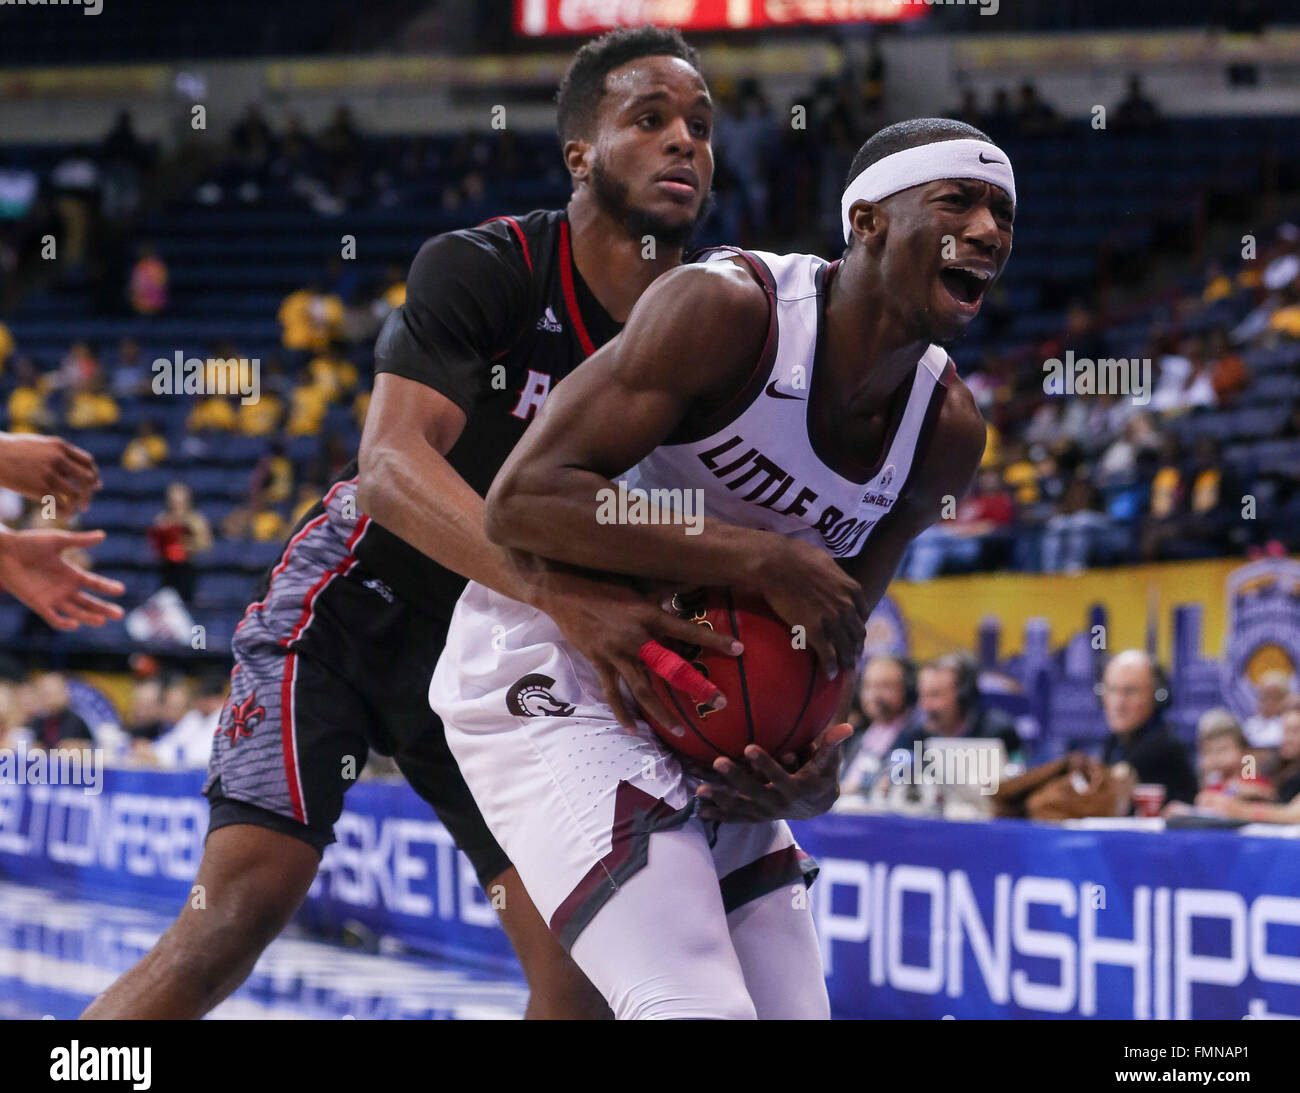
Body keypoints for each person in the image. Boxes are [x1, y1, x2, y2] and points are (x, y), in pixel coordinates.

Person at [83, 27, 826, 1022]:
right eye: (648, 120)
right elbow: (389, 468)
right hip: (357, 613)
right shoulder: (489, 267)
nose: (684, 142)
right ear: (580, 153)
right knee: (239, 908)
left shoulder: (723, 321)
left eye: (699, 123)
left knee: (581, 988)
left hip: (508, 666)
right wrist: (562, 596)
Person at [429, 116, 1012, 1018]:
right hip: (560, 662)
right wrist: (757, 553)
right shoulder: (729, 309)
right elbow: (523, 500)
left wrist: (817, 762)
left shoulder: (946, 432)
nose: (988, 231)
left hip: (707, 718)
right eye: (958, 201)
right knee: (694, 1004)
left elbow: (835, 632)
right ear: (866, 221)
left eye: (1003, 214)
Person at [0, 431, 124, 630]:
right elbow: (43, 520)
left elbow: (50, 520)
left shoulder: (52, 509)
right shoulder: (40, 510)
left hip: (44, 569)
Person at [1099, 649, 1197, 805]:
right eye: (1111, 690)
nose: (1118, 704)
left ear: (1158, 696)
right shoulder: (1112, 743)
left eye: (1130, 692)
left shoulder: (1164, 745)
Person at [896, 653, 1022, 756]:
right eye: (922, 695)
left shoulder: (1000, 733)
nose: (924, 705)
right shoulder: (913, 736)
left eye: (935, 695)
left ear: (963, 696)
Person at [839, 655, 916, 794]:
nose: (874, 695)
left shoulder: (915, 738)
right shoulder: (854, 736)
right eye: (868, 686)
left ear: (907, 690)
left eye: (885, 687)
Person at [1243, 670, 1292, 749]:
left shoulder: (1290, 726)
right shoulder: (1251, 725)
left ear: (1285, 699)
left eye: (1273, 698)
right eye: (1263, 697)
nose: (1267, 703)